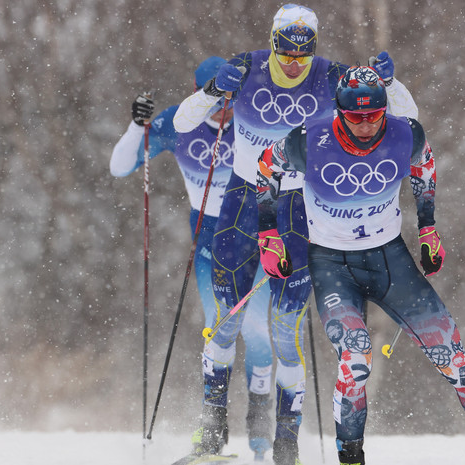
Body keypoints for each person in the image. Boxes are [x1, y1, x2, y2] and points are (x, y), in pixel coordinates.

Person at [255, 66, 465, 465]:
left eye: (375, 116)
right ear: (339, 111)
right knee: (356, 360)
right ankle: (351, 459)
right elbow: (266, 170)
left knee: (451, 353)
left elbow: (424, 168)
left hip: (389, 259)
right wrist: (268, 235)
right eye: (356, 117)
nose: (367, 126)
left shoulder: (406, 133)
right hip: (332, 263)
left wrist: (428, 229)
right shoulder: (309, 139)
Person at [173, 5, 418, 465]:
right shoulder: (245, 67)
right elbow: (186, 122)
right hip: (242, 203)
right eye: (285, 47)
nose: (292, 60)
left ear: (314, 48)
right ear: (272, 41)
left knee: (286, 332)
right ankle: (211, 433)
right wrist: (213, 91)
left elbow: (407, 117)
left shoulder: (332, 77)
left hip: (298, 211)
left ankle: (287, 444)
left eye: (303, 51)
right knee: (225, 320)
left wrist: (391, 83)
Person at [109, 57, 276, 461]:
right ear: (200, 92)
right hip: (210, 239)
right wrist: (137, 125)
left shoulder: (254, 117)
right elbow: (119, 167)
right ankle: (213, 432)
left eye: (232, 100)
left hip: (259, 235)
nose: (226, 109)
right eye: (217, 100)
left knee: (255, 327)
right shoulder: (179, 123)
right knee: (218, 327)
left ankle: (261, 433)